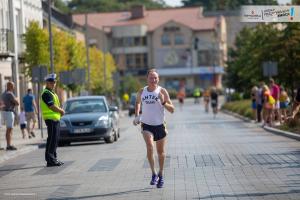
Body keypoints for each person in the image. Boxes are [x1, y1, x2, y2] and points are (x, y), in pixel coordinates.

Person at [133, 69, 174, 188]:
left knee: (160, 153)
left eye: (155, 78)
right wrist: (137, 115)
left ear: (158, 79)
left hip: (160, 125)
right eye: (151, 78)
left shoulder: (162, 91)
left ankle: (161, 174)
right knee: (150, 146)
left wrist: (163, 102)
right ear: (147, 79)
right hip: (146, 124)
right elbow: (137, 102)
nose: (153, 80)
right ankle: (154, 173)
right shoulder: (142, 91)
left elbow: (172, 109)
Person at [41, 73, 65, 167]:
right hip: (50, 120)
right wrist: (61, 111)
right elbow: (51, 106)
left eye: (54, 82)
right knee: (52, 140)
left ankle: (53, 158)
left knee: (54, 140)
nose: (53, 83)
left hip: (55, 119)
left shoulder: (52, 92)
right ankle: (50, 160)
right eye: (51, 82)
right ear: (46, 82)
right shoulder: (46, 93)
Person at [1, 81, 19, 150]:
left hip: (3, 112)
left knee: (8, 129)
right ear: (10, 86)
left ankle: (8, 144)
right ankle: (9, 145)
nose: (13, 87)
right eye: (13, 86)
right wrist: (16, 98)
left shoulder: (3, 94)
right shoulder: (10, 94)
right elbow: (17, 103)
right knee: (9, 129)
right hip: (9, 112)